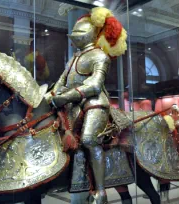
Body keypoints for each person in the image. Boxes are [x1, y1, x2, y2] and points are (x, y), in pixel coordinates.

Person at [46, 7, 127, 204]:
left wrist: (66, 97)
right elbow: (62, 81)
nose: (74, 38)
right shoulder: (74, 57)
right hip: (72, 104)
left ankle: (100, 191)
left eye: (78, 34)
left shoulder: (100, 56)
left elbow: (95, 85)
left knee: (90, 140)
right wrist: (51, 95)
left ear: (90, 34)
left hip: (94, 102)